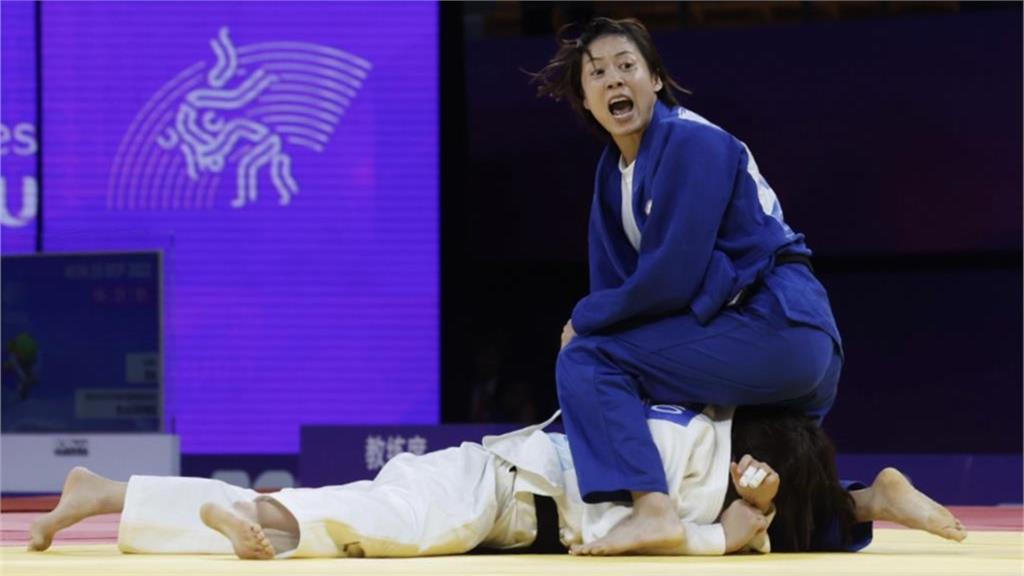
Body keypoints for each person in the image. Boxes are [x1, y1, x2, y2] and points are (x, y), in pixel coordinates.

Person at [528, 17, 938, 555]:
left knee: (589, 360)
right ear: (584, 97)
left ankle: (651, 509)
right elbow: (621, 291)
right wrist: (595, 333)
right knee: (743, 483)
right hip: (758, 345)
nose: (613, 81)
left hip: (777, 327)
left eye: (627, 66)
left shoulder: (691, 141)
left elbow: (671, 279)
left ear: (656, 79)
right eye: (597, 73)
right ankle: (864, 502)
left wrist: (583, 322)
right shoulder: (613, 176)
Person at [27, 405, 961, 560]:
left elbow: (720, 520)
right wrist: (729, 529)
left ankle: (108, 494)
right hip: (499, 485)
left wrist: (732, 524)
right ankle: (264, 518)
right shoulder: (695, 451)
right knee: (380, 521)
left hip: (512, 493)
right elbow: (691, 533)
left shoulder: (706, 440)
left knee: (364, 524)